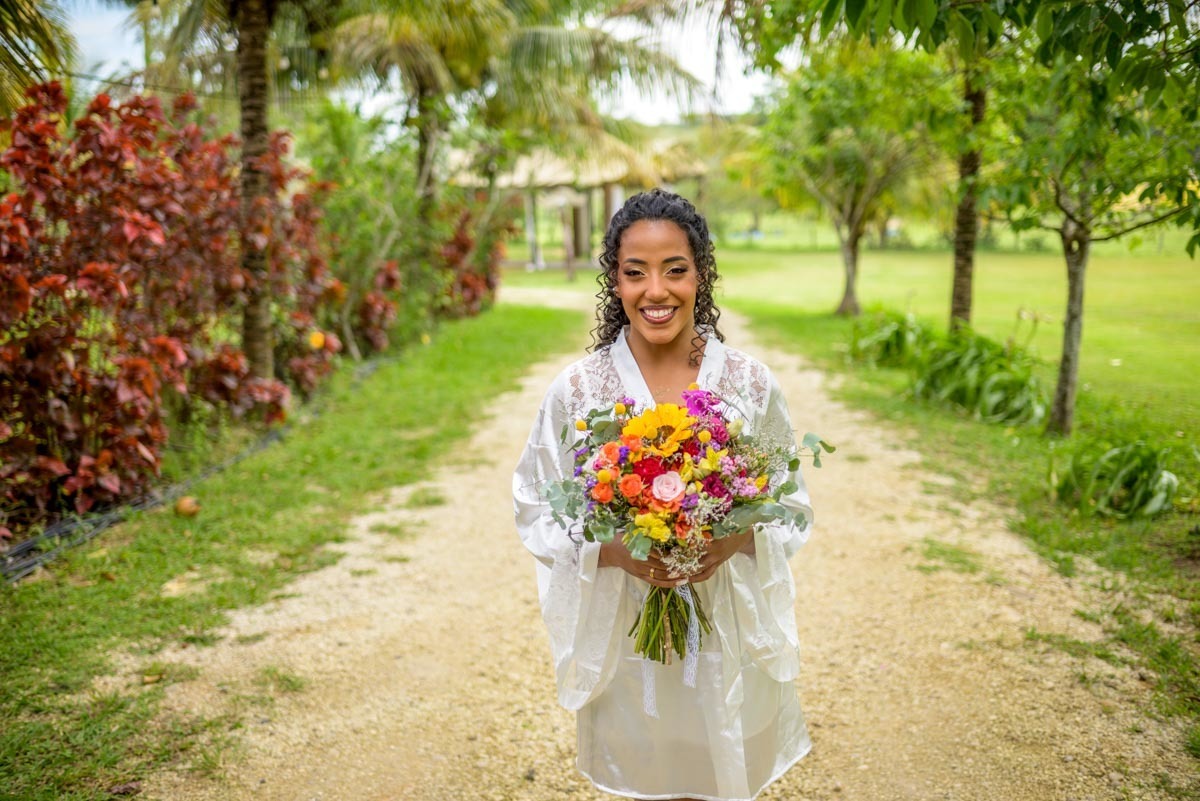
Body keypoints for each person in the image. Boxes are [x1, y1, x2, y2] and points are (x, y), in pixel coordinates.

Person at [513, 189, 813, 801]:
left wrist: (732, 538)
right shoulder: (579, 391)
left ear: (700, 275)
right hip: (628, 627)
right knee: (646, 771)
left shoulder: (749, 385)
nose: (657, 291)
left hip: (726, 622)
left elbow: (792, 505)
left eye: (675, 269)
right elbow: (536, 504)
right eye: (635, 272)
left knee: (719, 765)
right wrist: (616, 552)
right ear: (614, 282)